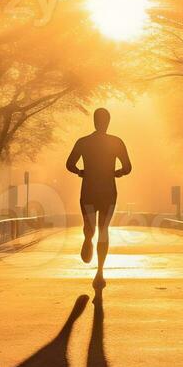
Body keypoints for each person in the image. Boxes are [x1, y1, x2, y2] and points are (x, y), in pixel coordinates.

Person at [65, 108, 131, 278]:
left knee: (89, 224)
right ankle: (100, 270)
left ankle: (88, 238)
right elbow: (128, 167)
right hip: (108, 191)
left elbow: (69, 164)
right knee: (104, 229)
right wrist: (118, 172)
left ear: (94, 121)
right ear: (108, 122)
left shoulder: (83, 142)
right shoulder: (116, 142)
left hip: (88, 190)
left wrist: (81, 172)